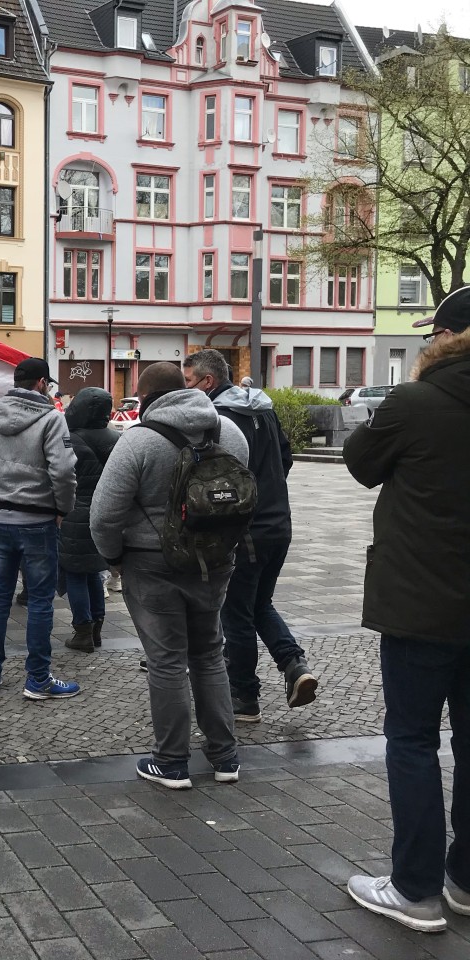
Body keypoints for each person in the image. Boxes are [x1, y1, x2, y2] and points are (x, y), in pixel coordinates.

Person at [343, 286, 470, 934]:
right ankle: (465, 881)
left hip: (422, 603)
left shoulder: (416, 400)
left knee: (413, 741)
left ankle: (414, 889)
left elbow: (360, 463)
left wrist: (413, 386)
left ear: (447, 339)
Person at [90, 362, 248, 789]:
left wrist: (113, 558)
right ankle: (226, 757)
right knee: (210, 654)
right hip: (214, 561)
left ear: (143, 399)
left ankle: (172, 762)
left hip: (151, 563)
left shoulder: (139, 441)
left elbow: (104, 515)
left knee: (166, 661)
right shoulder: (230, 434)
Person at [184, 349, 318, 722]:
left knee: (236, 613)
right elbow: (286, 458)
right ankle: (294, 665)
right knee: (259, 604)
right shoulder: (264, 408)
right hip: (279, 524)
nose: (187, 389)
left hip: (248, 532)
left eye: (189, 381)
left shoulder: (221, 418)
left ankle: (244, 697)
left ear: (207, 381)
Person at [0, 357, 80, 699]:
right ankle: (38, 678)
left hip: (3, 520)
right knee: (39, 601)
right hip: (38, 520)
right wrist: (62, 508)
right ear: (41, 383)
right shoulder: (51, 419)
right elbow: (63, 472)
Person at [58, 388, 118, 654]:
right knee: (94, 570)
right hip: (104, 512)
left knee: (74, 572)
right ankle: (96, 630)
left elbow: (61, 477)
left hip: (74, 513)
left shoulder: (69, 440)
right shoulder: (117, 438)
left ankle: (82, 630)